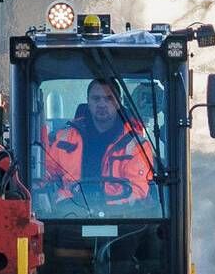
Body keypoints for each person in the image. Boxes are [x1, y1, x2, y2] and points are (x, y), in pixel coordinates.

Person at [45, 78, 155, 207]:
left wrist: (103, 208)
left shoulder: (136, 145)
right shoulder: (63, 139)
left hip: (122, 218)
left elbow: (138, 191)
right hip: (69, 215)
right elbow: (45, 174)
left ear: (118, 103)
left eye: (109, 98)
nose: (102, 104)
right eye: (96, 99)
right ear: (88, 101)